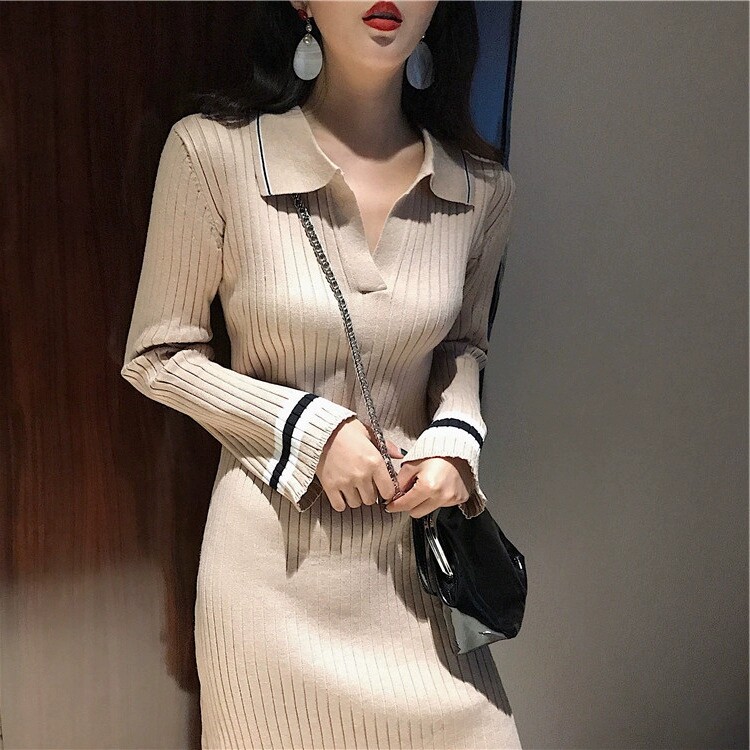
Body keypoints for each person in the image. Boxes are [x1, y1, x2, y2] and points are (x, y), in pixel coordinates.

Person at [120, 1, 521, 748]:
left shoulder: (481, 189)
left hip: (418, 573)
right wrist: (308, 431)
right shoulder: (212, 154)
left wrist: (455, 448)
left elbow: (465, 347)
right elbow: (158, 356)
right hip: (272, 583)